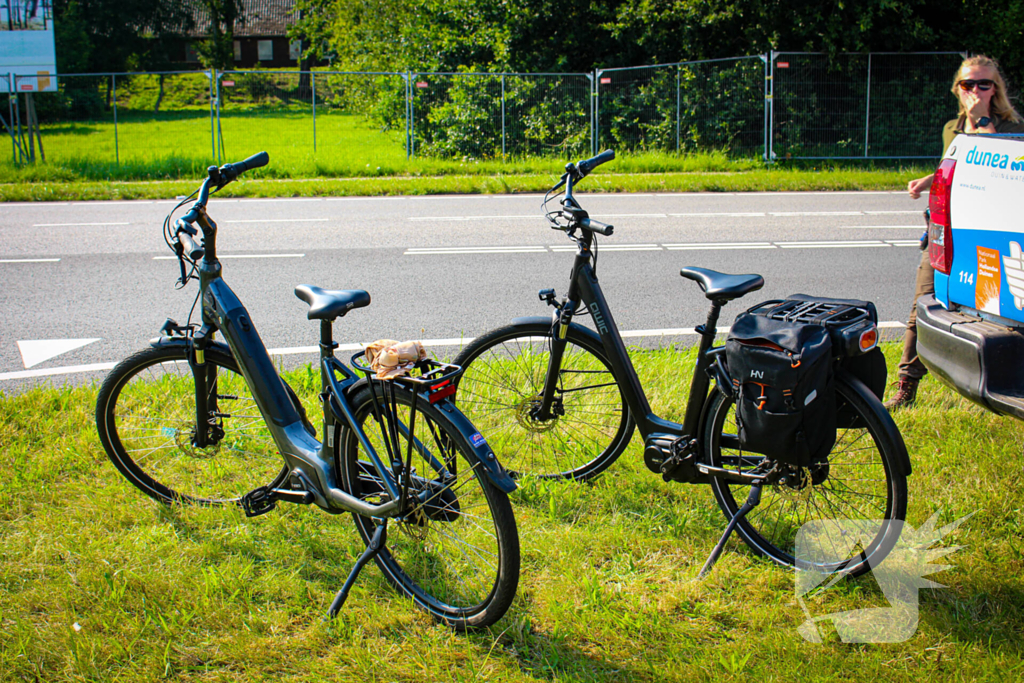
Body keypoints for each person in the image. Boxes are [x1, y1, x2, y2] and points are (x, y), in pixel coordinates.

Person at [887, 55, 1024, 409]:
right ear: (957, 89)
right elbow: (957, 167)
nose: (975, 91)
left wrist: (982, 120)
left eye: (984, 84)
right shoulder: (952, 127)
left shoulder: (1013, 129)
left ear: (997, 90)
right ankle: (906, 385)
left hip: (991, 234)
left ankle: (998, 379)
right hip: (946, 232)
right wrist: (928, 180)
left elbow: (991, 164)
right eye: (968, 85)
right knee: (923, 302)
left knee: (997, 310)